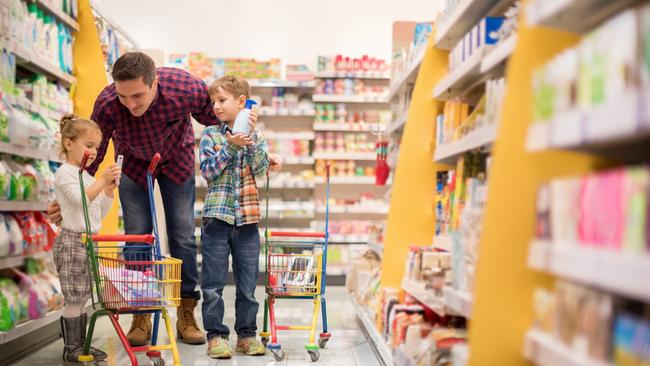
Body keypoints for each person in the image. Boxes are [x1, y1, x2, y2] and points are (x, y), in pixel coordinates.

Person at [47, 51, 283, 346]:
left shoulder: (184, 88)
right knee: (136, 236)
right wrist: (71, 197)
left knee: (182, 235)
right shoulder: (108, 103)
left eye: (137, 95)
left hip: (177, 162)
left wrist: (251, 133)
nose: (130, 104)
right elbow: (91, 155)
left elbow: (223, 121)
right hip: (133, 165)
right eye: (123, 96)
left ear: (155, 82)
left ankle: (186, 312)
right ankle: (141, 313)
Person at [199, 76, 268, 359]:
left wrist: (248, 141)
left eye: (222, 100)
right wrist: (230, 146)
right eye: (213, 101)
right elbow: (208, 171)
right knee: (213, 284)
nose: (216, 106)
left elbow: (261, 168)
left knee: (248, 286)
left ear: (242, 103)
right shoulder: (211, 135)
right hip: (217, 219)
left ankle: (247, 335)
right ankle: (216, 336)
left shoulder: (258, 137)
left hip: (248, 221)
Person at [53, 114, 121, 362]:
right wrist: (101, 180)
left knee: (83, 297)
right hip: (71, 241)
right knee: (74, 297)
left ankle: (81, 346)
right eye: (88, 146)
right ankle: (71, 348)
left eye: (96, 147)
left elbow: (97, 213)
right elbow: (79, 201)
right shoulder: (65, 173)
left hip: (88, 241)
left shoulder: (87, 176)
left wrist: (109, 190)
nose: (93, 152)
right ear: (69, 144)